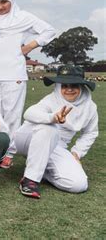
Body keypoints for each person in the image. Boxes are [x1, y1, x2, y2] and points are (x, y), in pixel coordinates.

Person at [0, 0, 56, 168]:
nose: (0, 6)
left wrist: (30, 46)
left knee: (12, 115)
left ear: (11, 1)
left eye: (3, 2)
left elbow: (49, 31)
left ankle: (9, 152)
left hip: (14, 74)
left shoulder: (24, 17)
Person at [15, 65, 98, 199]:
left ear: (82, 86)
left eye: (74, 85)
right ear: (59, 86)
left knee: (79, 184)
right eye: (64, 85)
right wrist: (52, 118)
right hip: (26, 139)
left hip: (58, 147)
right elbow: (29, 113)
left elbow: (90, 132)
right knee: (49, 128)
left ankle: (43, 169)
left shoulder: (90, 107)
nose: (69, 89)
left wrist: (77, 152)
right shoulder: (51, 99)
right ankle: (30, 180)